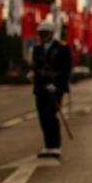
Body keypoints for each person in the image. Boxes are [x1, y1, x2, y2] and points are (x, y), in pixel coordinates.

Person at [31, 19, 73, 157]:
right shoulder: (37, 48)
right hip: (41, 87)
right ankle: (48, 145)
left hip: (55, 87)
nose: (42, 35)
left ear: (51, 33)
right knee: (42, 116)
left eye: (45, 33)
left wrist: (57, 85)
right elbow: (35, 66)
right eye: (40, 33)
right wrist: (31, 74)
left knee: (51, 115)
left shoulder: (62, 47)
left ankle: (55, 145)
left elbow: (66, 69)